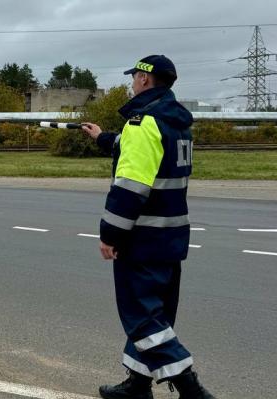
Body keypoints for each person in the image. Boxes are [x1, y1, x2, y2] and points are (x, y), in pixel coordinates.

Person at [81, 55, 215, 399]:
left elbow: (130, 187)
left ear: (145, 79)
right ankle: (137, 385)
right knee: (157, 314)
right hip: (170, 237)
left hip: (142, 238)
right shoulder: (176, 122)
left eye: (135, 76)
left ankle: (191, 388)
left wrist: (110, 234)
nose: (132, 82)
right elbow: (145, 154)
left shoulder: (143, 123)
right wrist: (102, 138)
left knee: (143, 319)